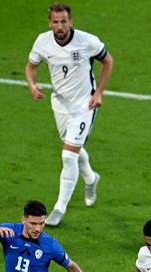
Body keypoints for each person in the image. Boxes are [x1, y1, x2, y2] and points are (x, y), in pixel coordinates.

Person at [25, 3, 114, 227]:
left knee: (68, 156)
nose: (60, 26)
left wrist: (99, 92)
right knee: (73, 148)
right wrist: (32, 85)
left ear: (70, 21)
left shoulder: (86, 41)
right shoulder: (42, 41)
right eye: (55, 22)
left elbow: (108, 61)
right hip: (60, 104)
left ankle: (59, 208)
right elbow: (31, 66)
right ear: (50, 23)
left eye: (64, 21)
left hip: (85, 105)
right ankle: (91, 178)